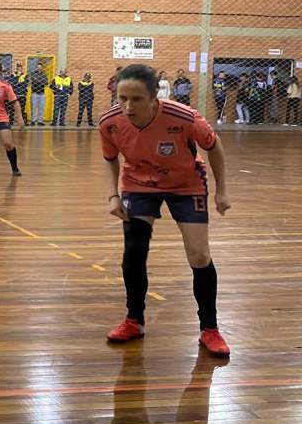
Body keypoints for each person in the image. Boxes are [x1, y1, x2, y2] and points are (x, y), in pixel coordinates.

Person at [99, 65, 231, 358]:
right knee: (134, 250)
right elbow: (110, 159)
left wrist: (222, 191)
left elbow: (214, 146)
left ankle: (209, 328)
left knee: (199, 255)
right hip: (138, 185)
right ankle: (134, 320)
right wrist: (112, 195)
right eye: (122, 98)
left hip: (186, 185)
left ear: (154, 97)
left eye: (136, 99)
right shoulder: (109, 122)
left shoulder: (184, 117)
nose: (128, 106)